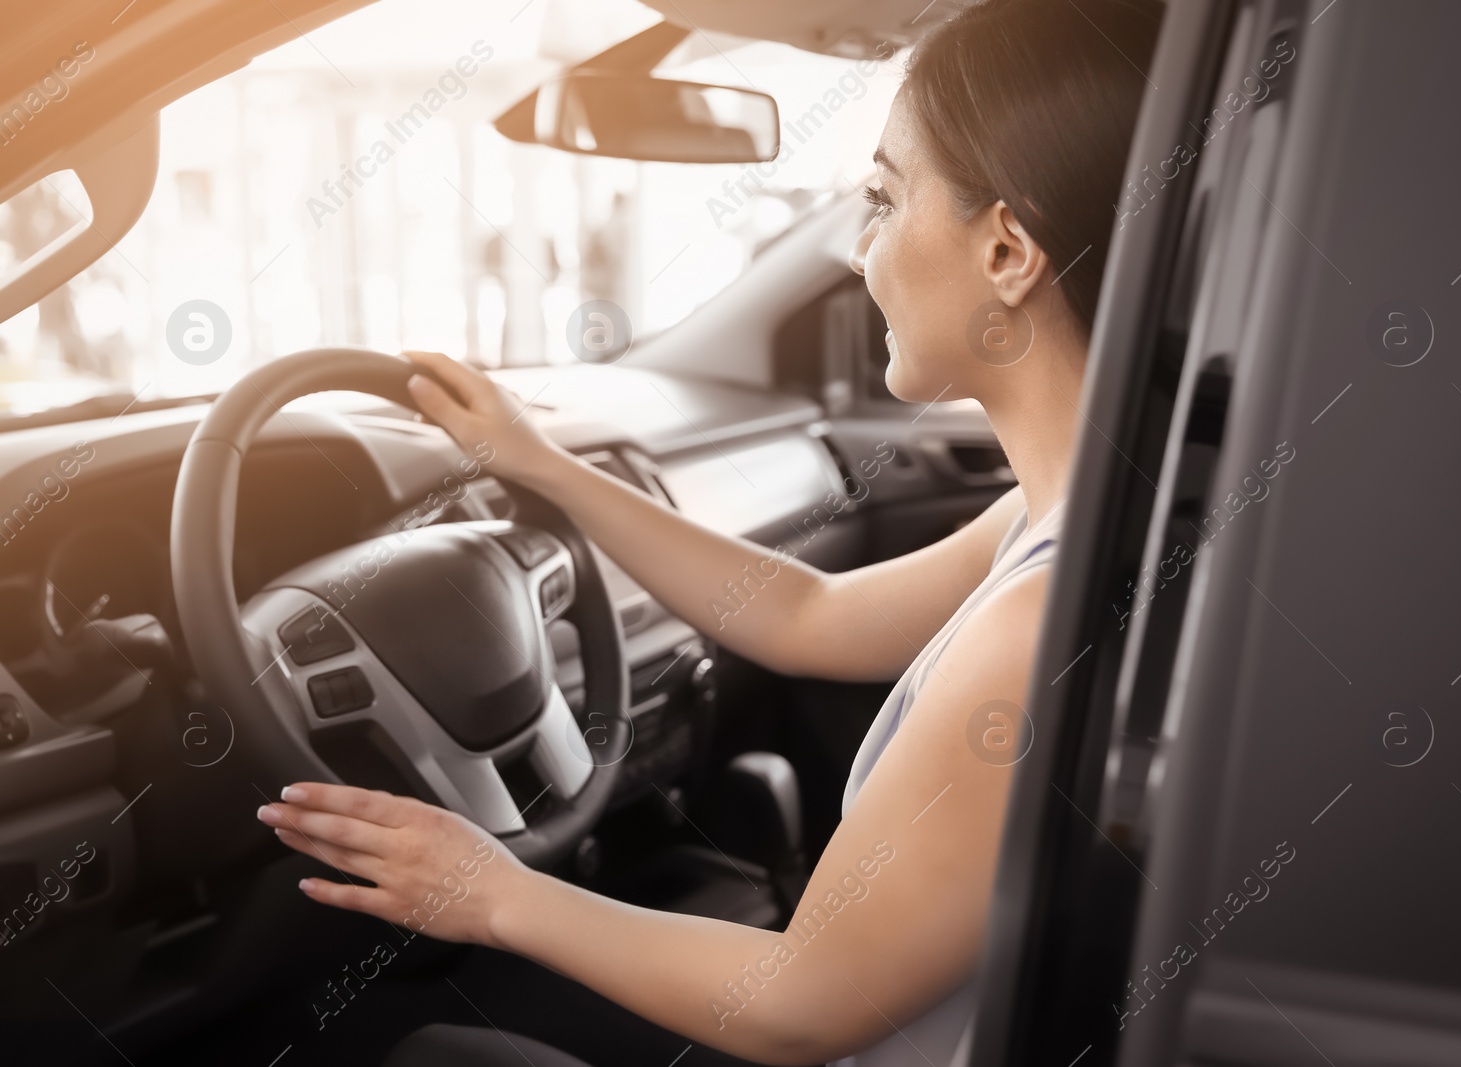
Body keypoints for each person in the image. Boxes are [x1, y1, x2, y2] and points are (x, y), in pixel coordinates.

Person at [253, 0, 1161, 1063]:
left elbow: (801, 1004)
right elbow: (805, 612)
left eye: (883, 197)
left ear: (1007, 249)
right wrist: (545, 467)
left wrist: (491, 892)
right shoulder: (1096, 507)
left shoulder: (1035, 623)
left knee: (415, 1051)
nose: (862, 251)